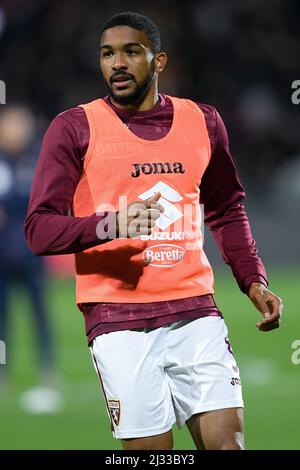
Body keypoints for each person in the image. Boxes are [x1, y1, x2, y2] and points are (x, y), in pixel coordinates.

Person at [24, 12, 283, 450]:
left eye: (131, 51)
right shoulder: (74, 128)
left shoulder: (203, 121)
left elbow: (226, 208)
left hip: (195, 310)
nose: (117, 63)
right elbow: (38, 230)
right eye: (107, 53)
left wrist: (252, 278)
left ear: (159, 61)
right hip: (116, 319)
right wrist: (112, 224)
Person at [0, 106, 62, 413]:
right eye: (11, 126)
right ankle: (3, 371)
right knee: (2, 318)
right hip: (1, 255)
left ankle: (47, 368)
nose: (16, 132)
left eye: (21, 126)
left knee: (40, 315)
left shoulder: (35, 160)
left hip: (32, 254)